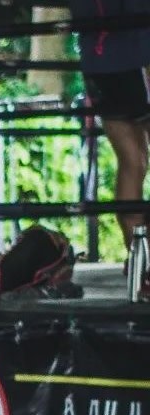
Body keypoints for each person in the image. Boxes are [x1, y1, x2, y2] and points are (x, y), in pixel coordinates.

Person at [69, 0, 150, 274]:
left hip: (97, 62)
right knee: (132, 161)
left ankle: (139, 259)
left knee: (131, 161)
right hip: (135, 53)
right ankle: (142, 259)